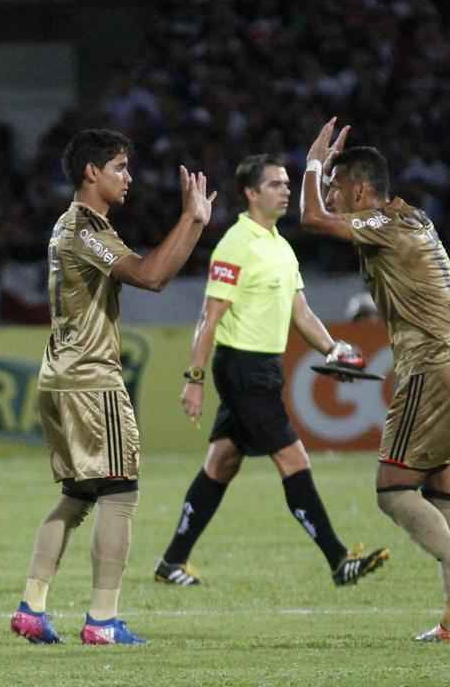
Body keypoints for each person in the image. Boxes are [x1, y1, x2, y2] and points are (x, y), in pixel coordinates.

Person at [9, 129, 216, 646]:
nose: (129, 177)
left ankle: (33, 607)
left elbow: (153, 273)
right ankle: (103, 620)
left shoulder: (69, 226)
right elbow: (150, 276)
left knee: (78, 494)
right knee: (120, 490)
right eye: (120, 167)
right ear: (91, 172)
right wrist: (189, 220)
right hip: (89, 378)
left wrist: (195, 224)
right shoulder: (85, 229)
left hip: (59, 374)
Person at [299, 118, 450, 643]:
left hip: (436, 369)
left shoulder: (382, 225)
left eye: (339, 189)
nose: (333, 198)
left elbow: (311, 218)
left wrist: (313, 162)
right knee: (444, 497)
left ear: (361, 189)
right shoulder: (413, 218)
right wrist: (327, 175)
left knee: (393, 491)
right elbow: (330, 213)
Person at [153, 154, 389, 590]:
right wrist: (194, 379)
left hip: (262, 367)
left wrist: (333, 346)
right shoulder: (235, 245)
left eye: (286, 183)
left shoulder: (280, 246)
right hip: (242, 367)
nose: (285, 190)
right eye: (276, 184)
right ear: (251, 193)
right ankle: (339, 561)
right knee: (293, 458)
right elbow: (210, 316)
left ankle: (171, 562)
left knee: (221, 463)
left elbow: (301, 311)